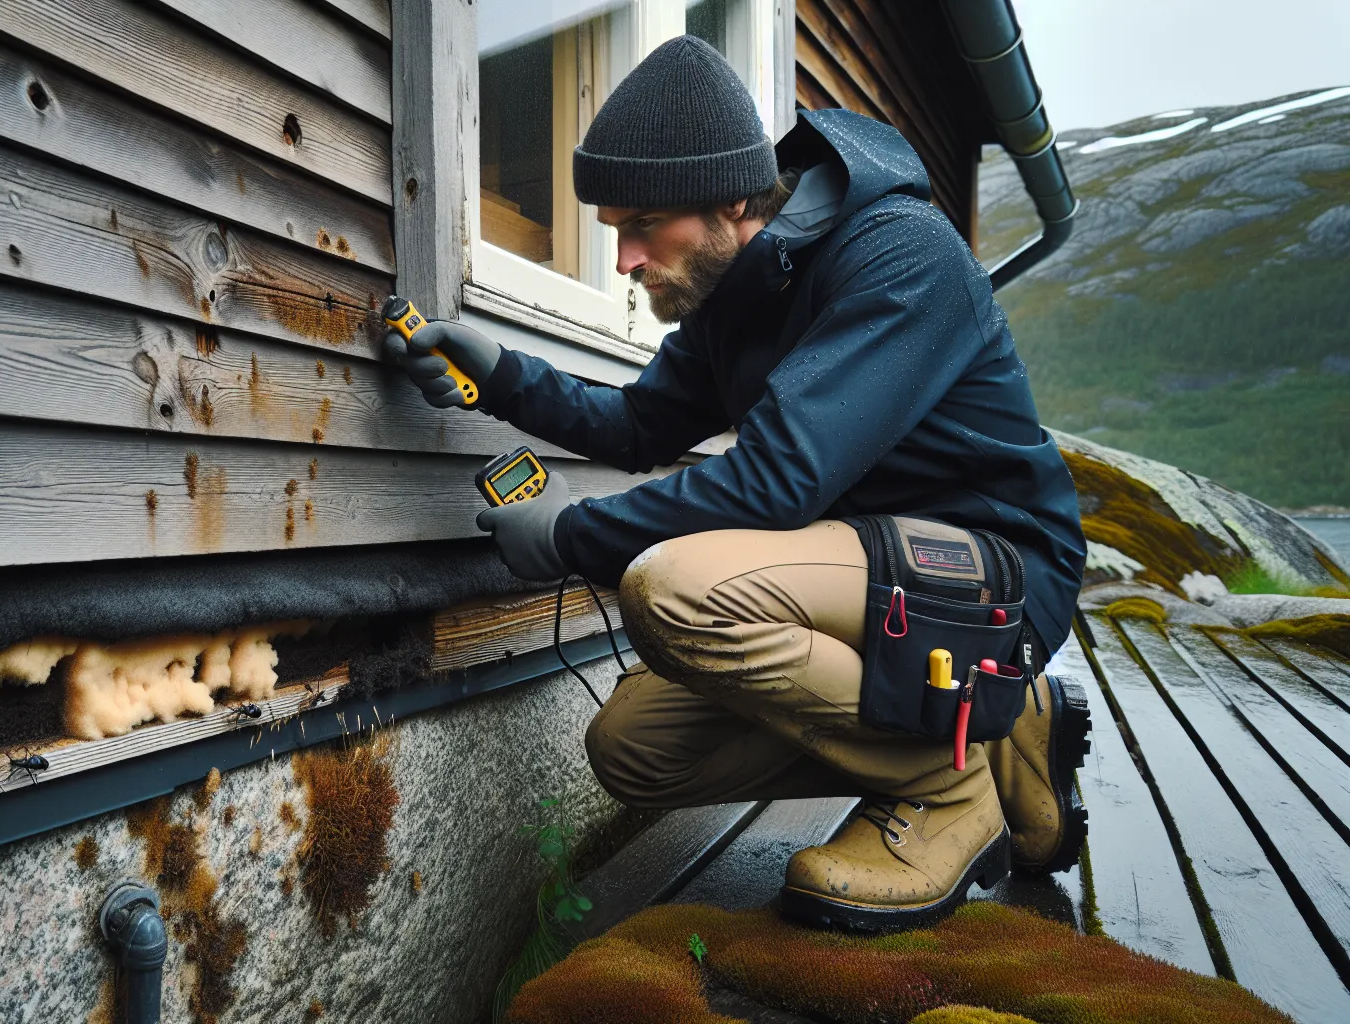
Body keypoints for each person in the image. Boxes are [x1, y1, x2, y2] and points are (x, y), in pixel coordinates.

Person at [386, 36, 1088, 932]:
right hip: (872, 593)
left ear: (732, 195)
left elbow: (775, 484)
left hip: (991, 574)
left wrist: (571, 537)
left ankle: (949, 791)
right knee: (632, 752)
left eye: (643, 225)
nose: (626, 259)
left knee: (676, 589)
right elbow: (637, 426)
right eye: (615, 233)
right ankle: (989, 718)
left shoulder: (901, 258)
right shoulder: (741, 292)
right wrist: (499, 371)